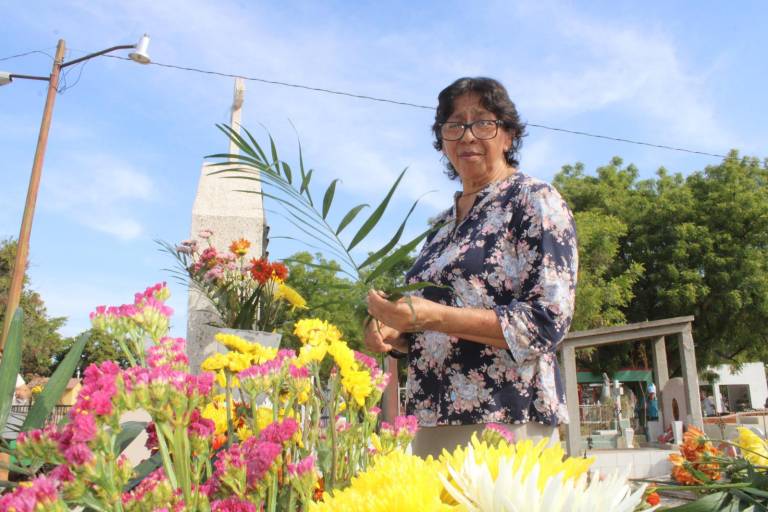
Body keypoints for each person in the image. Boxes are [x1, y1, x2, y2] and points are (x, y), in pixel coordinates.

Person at [365, 77, 578, 457]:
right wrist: (396, 331)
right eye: (454, 125)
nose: (467, 136)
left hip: (507, 420)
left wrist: (431, 316)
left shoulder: (533, 200)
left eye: (482, 122)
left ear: (509, 135)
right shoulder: (441, 226)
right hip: (432, 420)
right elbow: (431, 324)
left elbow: (548, 322)